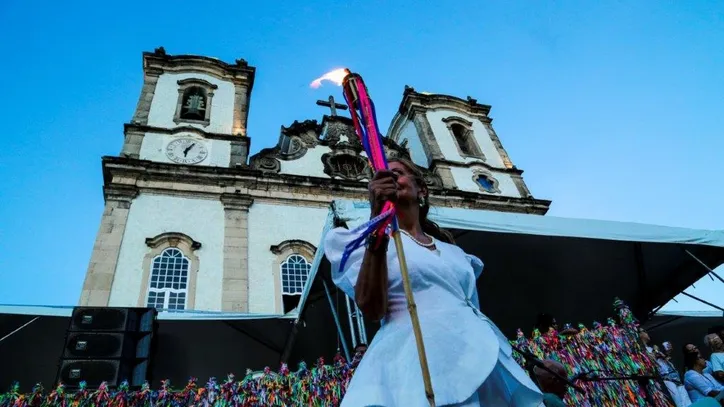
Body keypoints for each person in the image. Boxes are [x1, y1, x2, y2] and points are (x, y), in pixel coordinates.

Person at [324, 158, 544, 406]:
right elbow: (372, 308)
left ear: (422, 190)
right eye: (386, 176)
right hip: (412, 359)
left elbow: (473, 309)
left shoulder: (456, 255)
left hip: (472, 354)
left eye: (398, 173)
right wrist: (378, 223)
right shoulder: (378, 242)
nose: (391, 178)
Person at [656, 341, 692, 407]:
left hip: (678, 381)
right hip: (668, 381)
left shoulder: (670, 360)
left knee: (687, 402)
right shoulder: (658, 359)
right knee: (678, 402)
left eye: (670, 348)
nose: (669, 350)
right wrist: (661, 353)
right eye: (667, 347)